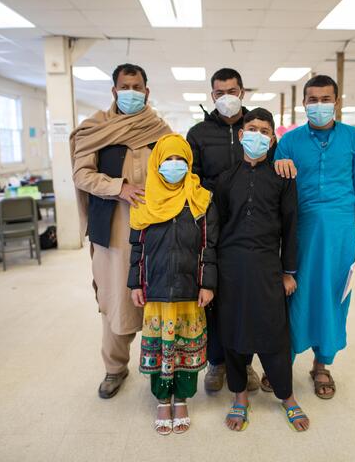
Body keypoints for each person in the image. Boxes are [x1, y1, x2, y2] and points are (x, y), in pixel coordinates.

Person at [186, 68, 296, 392]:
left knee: (261, 312)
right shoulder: (199, 134)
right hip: (218, 230)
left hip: (261, 247)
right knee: (221, 308)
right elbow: (191, 177)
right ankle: (218, 364)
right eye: (219, 93)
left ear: (242, 92)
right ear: (212, 96)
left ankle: (248, 366)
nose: (226, 98)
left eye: (231, 91)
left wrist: (285, 161)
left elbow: (282, 200)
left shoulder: (262, 136)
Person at [71, 63, 172, 400]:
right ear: (114, 91)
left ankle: (162, 367)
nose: (131, 91)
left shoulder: (160, 129)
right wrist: (118, 186)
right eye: (125, 86)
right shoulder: (95, 129)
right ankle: (115, 368)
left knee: (159, 298)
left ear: (147, 90)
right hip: (114, 230)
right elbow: (82, 175)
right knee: (116, 299)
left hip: (157, 231)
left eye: (137, 86)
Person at [272, 75, 355, 399]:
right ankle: (281, 364)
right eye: (313, 99)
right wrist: (279, 163)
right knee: (294, 298)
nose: (319, 104)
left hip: (341, 235)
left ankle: (321, 365)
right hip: (300, 233)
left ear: (337, 101)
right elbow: (274, 185)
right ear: (304, 103)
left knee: (333, 300)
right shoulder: (289, 142)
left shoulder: (354, 138)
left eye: (325, 98)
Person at [215, 108, 309, 432]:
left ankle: (287, 396)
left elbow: (290, 227)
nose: (257, 134)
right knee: (234, 331)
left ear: (272, 139)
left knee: (274, 332)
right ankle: (240, 396)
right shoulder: (225, 180)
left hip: (268, 266)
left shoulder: (283, 178)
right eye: (251, 128)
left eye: (264, 131)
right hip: (231, 267)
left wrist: (288, 272)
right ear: (242, 135)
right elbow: (217, 229)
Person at [127, 134, 217, 435]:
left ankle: (182, 398)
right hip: (156, 290)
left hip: (190, 292)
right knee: (162, 347)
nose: (174, 165)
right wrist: (136, 284)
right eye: (168, 159)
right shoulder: (145, 200)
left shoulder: (201, 198)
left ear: (189, 163)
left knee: (185, 347)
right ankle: (162, 398)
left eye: (181, 159)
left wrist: (207, 284)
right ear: (157, 163)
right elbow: (137, 249)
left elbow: (208, 246)